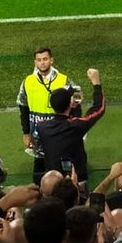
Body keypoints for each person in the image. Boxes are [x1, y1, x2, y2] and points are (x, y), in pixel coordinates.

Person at [17, 47, 75, 184]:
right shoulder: (28, 81)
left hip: (59, 131)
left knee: (61, 167)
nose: (42, 63)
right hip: (38, 134)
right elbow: (23, 108)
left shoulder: (64, 80)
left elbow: (75, 105)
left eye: (45, 59)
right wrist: (26, 133)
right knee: (39, 167)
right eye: (39, 60)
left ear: (51, 60)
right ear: (35, 62)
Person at [37, 68, 105, 185]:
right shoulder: (75, 126)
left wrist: (72, 107)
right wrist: (96, 83)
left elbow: (64, 120)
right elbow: (99, 108)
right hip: (76, 180)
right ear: (69, 104)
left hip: (53, 181)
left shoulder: (42, 126)